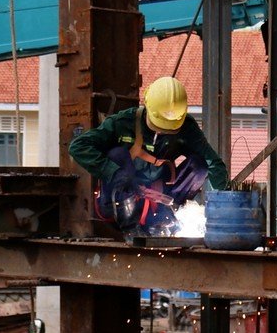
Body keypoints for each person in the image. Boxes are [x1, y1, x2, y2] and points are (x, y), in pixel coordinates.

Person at [69, 76, 229, 233]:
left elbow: (213, 162)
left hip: (162, 196)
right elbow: (78, 146)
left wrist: (225, 205)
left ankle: (169, 217)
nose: (161, 131)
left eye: (168, 128)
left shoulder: (187, 128)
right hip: (120, 198)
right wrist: (112, 171)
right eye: (158, 125)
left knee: (200, 166)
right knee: (118, 154)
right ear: (147, 107)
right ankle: (130, 227)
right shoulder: (122, 122)